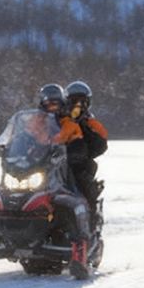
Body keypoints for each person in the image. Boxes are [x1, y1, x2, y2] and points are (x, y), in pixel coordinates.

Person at [57, 79, 109, 225]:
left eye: (82, 102)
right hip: (54, 162)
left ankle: (90, 220)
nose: (78, 105)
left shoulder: (90, 122)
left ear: (87, 104)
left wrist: (86, 144)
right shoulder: (58, 119)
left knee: (83, 184)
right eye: (74, 101)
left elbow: (101, 143)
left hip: (79, 164)